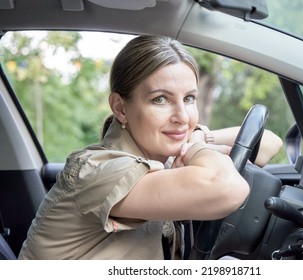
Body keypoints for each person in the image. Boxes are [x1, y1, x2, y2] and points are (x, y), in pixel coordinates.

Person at [18, 35, 282, 260]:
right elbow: (227, 188)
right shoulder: (99, 171)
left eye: (189, 98)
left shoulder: (162, 155)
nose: (182, 115)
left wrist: (198, 136)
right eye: (160, 99)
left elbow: (268, 143)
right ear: (121, 108)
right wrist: (194, 146)